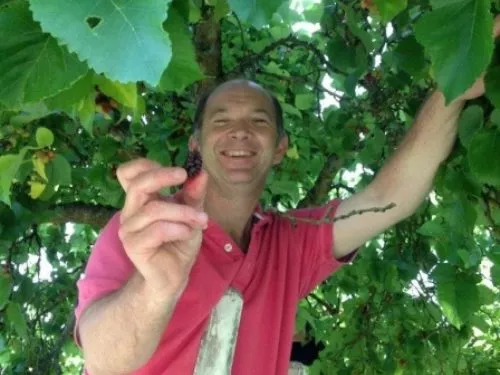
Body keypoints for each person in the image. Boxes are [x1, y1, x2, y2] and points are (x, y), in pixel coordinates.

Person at [74, 18, 499, 375]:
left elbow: (392, 196)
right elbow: (105, 361)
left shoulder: (290, 243)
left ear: (279, 147)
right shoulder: (147, 229)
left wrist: (455, 88)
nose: (240, 130)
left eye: (258, 120)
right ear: (196, 144)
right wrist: (155, 290)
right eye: (221, 120)